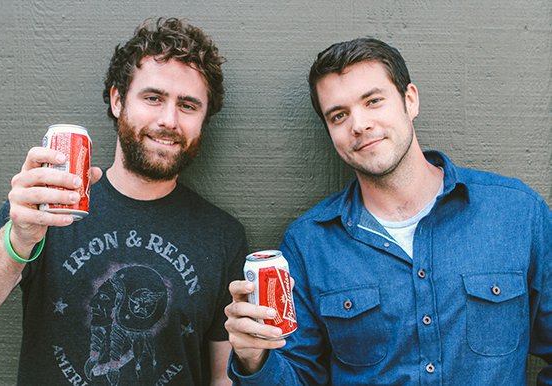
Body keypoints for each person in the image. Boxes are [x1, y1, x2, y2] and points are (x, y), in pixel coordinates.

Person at [224, 37, 551, 385]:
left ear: (410, 100)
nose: (359, 124)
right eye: (339, 115)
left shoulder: (516, 214)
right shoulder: (309, 245)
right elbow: (298, 377)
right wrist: (254, 359)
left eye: (373, 101)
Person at [0, 17, 247, 386]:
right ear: (118, 100)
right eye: (153, 98)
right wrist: (19, 236)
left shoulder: (223, 235)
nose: (168, 120)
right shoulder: (49, 201)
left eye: (188, 105)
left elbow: (222, 376)